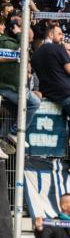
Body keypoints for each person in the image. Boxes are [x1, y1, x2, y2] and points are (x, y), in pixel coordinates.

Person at [31, 25, 70, 176]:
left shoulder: (36, 54)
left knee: (64, 124)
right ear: (51, 34)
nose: (62, 36)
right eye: (60, 33)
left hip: (49, 95)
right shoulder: (58, 49)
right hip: (67, 93)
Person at [0, 18, 40, 159]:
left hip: (12, 86)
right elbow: (22, 49)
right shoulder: (6, 41)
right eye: (23, 26)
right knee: (34, 103)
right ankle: (15, 132)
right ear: (14, 28)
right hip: (9, 86)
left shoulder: (13, 41)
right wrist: (19, 34)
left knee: (15, 112)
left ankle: (3, 139)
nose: (27, 30)